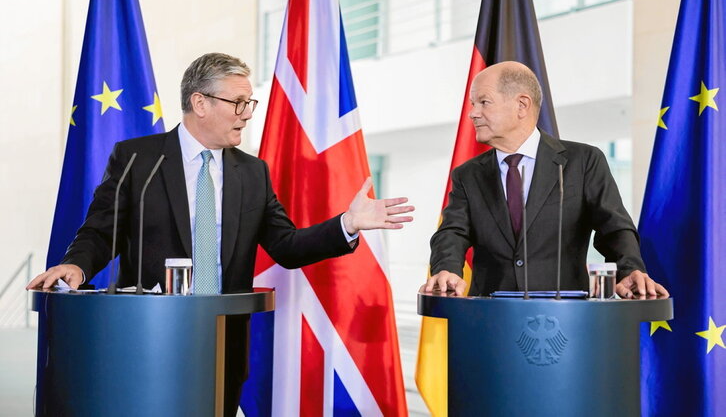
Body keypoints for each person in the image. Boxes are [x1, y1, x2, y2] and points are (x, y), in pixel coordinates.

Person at [27, 52, 414, 417]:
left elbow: (288, 247)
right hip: (148, 333)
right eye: (238, 102)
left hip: (222, 338)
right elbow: (101, 231)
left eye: (250, 104)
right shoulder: (138, 159)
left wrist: (347, 223)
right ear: (200, 103)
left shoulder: (252, 173)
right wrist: (76, 265)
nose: (247, 115)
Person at [422, 61, 668, 299]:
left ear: (522, 105)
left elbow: (614, 227)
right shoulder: (468, 174)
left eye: (483, 102)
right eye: (473, 104)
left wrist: (629, 269)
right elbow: (452, 232)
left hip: (564, 317)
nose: (473, 114)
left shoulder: (583, 161)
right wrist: (447, 268)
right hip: (490, 318)